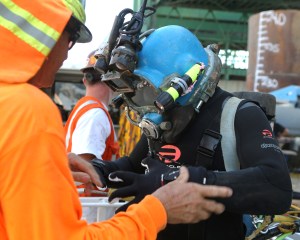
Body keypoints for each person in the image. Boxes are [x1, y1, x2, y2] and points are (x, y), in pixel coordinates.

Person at [0, 1, 234, 240]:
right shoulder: (27, 109)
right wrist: (157, 210)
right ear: (53, 31)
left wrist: (45, 164)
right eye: (70, 39)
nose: (68, 52)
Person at [91, 25, 293, 240]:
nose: (147, 106)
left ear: (187, 80)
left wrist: (181, 180)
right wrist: (99, 171)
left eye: (149, 90)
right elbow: (133, 167)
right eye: (139, 93)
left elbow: (276, 186)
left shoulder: (240, 114)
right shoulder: (163, 118)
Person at [64, 50, 119, 196]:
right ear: (113, 80)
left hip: (82, 202)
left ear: (85, 80)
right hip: (88, 206)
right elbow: (84, 165)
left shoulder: (85, 109)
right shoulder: (95, 114)